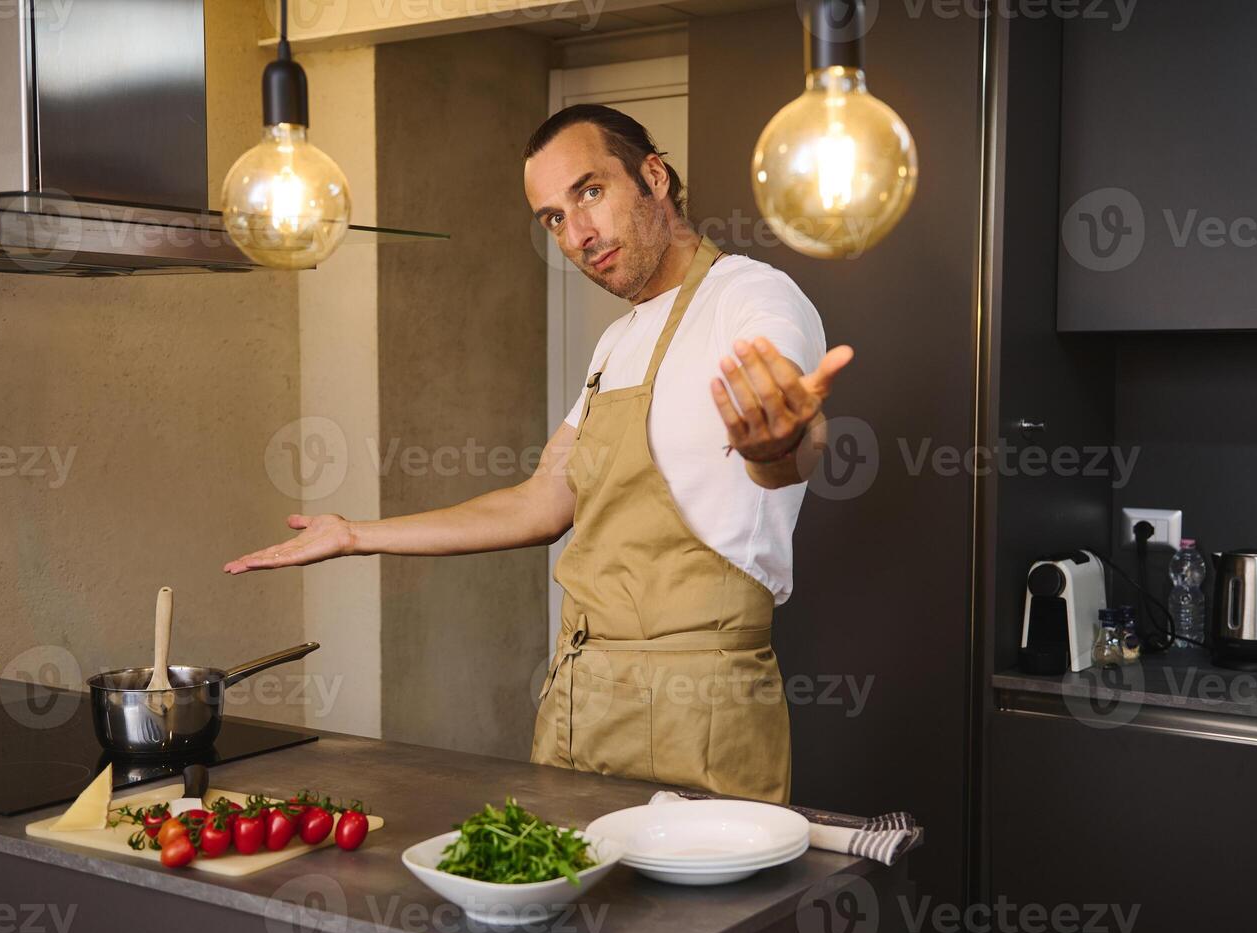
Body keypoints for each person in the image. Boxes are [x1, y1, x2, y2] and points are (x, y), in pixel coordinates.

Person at [225, 104, 854, 803]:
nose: (578, 234)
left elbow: (789, 441)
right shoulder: (616, 344)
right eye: (552, 218)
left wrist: (779, 443)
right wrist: (354, 536)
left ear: (653, 176)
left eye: (589, 192)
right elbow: (538, 503)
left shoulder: (749, 297)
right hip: (581, 690)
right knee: (554, 899)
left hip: (693, 700)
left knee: (685, 913)